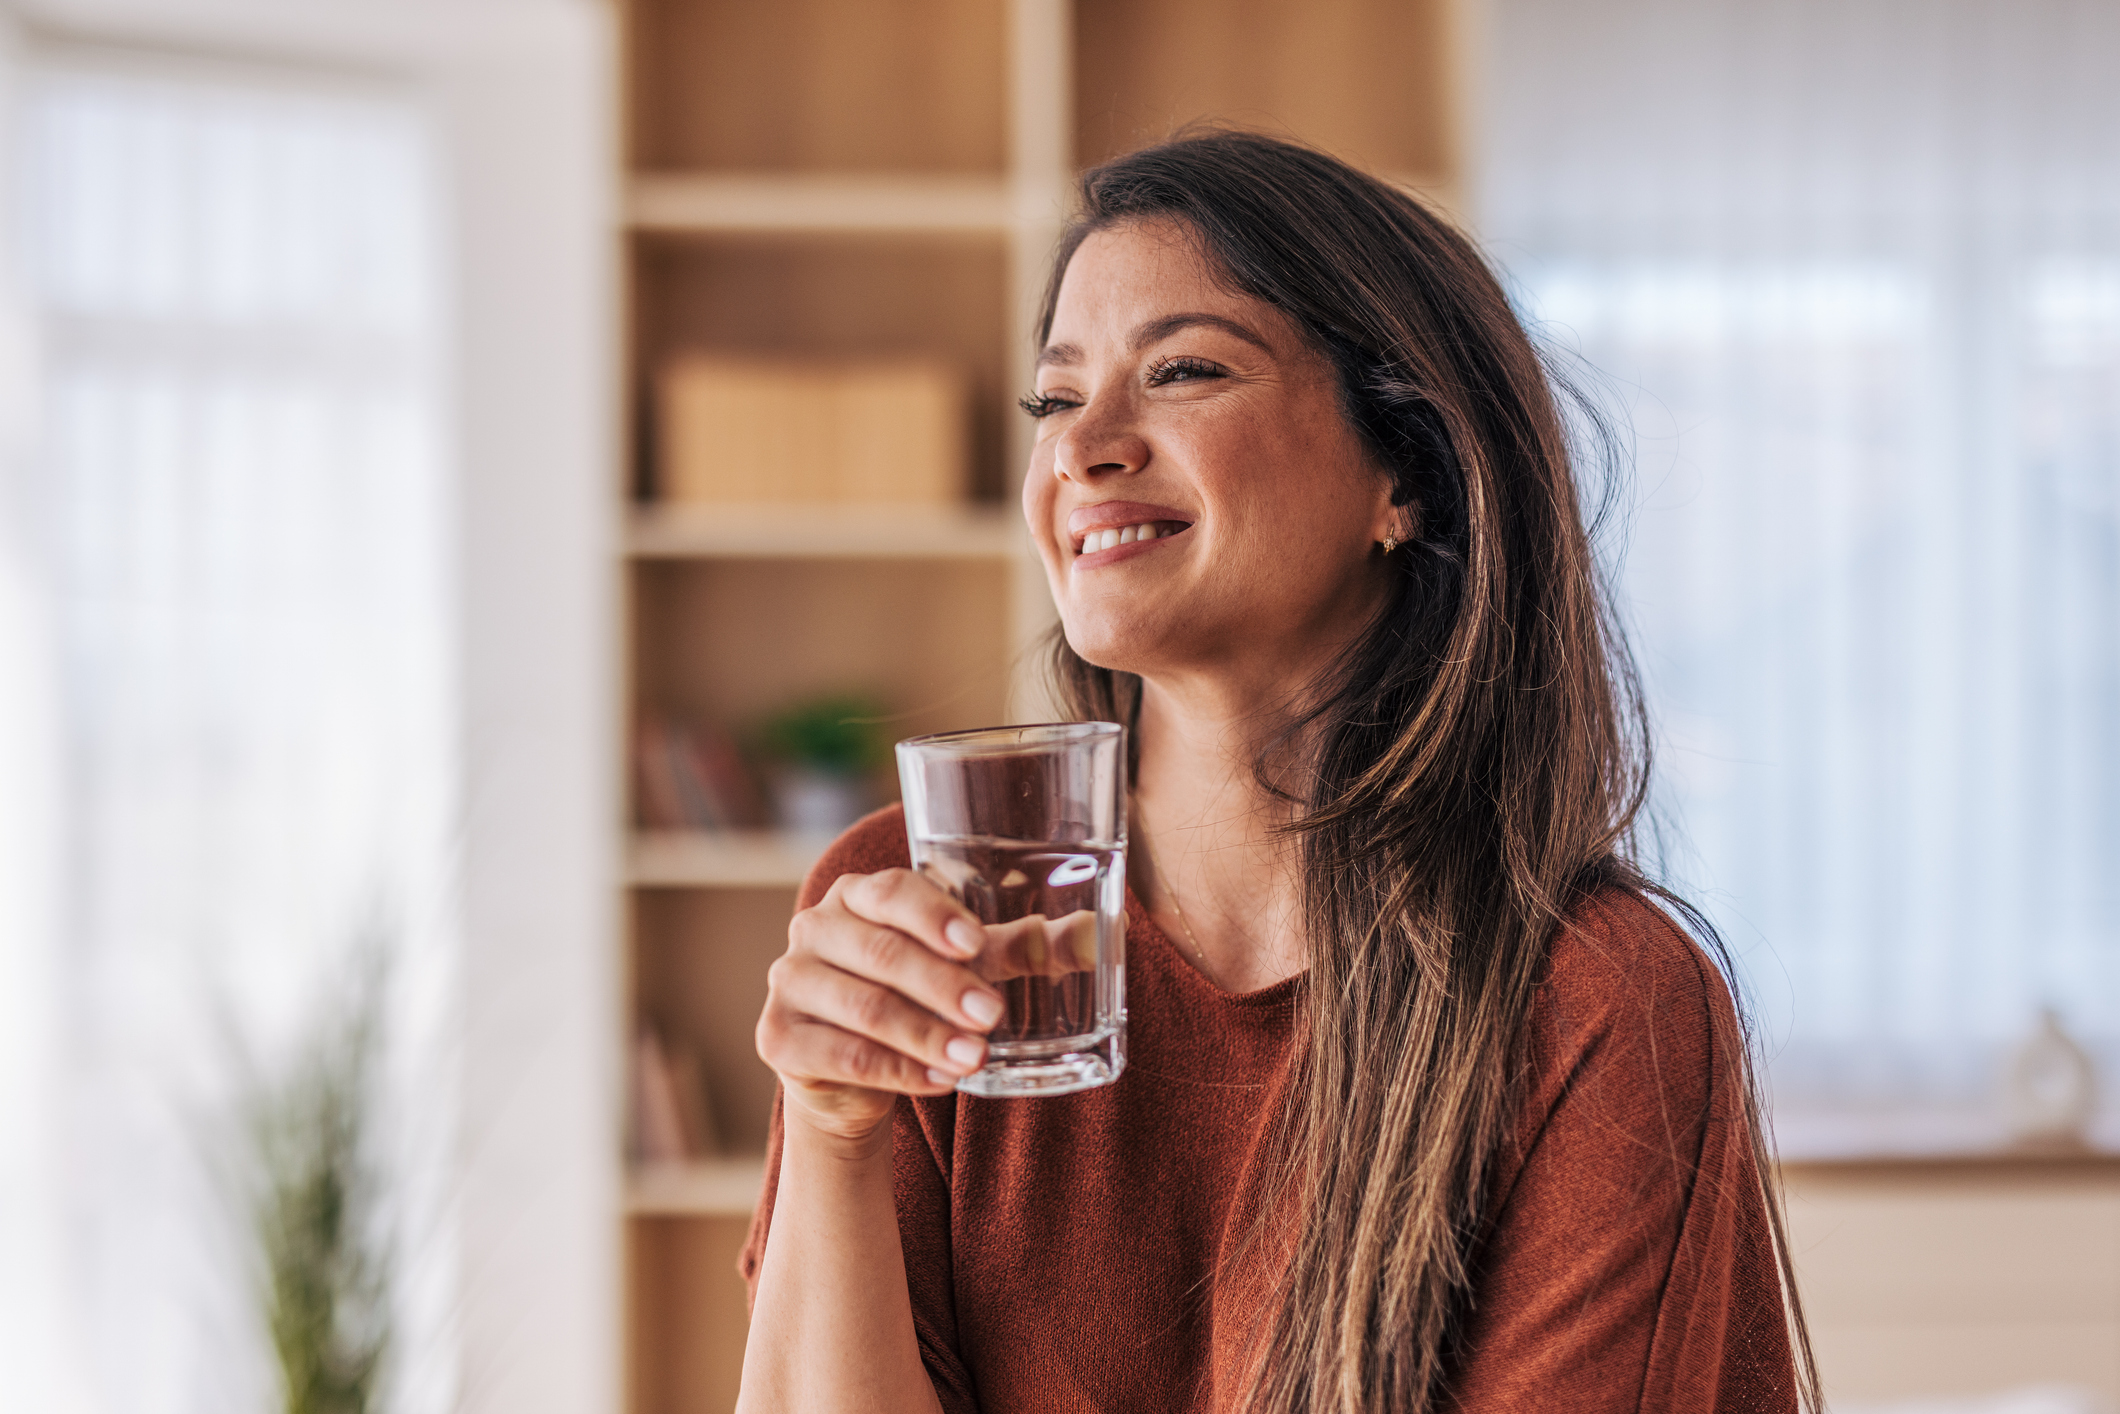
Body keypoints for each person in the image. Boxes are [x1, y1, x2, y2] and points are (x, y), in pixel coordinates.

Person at [735, 130, 1817, 1414]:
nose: (1083, 447)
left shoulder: (1597, 1000)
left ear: (1405, 473)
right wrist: (834, 1128)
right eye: (1053, 397)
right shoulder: (908, 908)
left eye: (1182, 370)